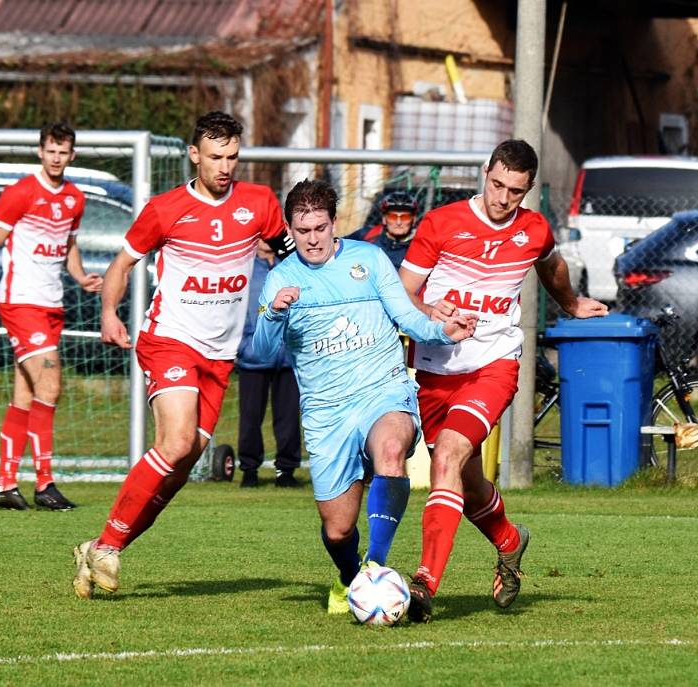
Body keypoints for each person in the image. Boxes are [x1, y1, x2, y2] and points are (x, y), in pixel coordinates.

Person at [72, 110, 294, 599]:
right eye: (216, 157)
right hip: (168, 339)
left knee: (185, 461)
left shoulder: (258, 203)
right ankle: (108, 546)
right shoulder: (166, 208)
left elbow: (290, 256)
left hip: (219, 356)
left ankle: (101, 545)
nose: (225, 166)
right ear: (195, 155)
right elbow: (122, 264)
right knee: (174, 444)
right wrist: (109, 313)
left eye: (233, 157)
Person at [398, 139, 608, 622]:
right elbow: (403, 293)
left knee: (448, 456)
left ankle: (424, 585)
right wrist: (429, 311)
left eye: (515, 191)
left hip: (494, 365)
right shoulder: (442, 223)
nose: (502, 198)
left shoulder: (531, 229)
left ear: (528, 189)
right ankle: (510, 541)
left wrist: (570, 304)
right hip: (435, 369)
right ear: (485, 174)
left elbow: (550, 263)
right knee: (465, 479)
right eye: (496, 185)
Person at [253, 179, 476, 614]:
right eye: (303, 230)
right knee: (337, 530)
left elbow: (408, 317)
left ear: (335, 223)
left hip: (383, 390)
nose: (313, 239)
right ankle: (348, 574)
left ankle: (374, 568)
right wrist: (275, 313)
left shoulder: (369, 259)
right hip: (326, 411)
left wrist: (442, 331)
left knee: (391, 450)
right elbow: (260, 353)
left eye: (320, 227)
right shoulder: (281, 279)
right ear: (290, 229)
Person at [0, 122, 103, 511]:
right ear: (40, 152)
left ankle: (5, 484)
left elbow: (69, 245)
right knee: (51, 383)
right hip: (21, 303)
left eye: (64, 152)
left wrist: (79, 277)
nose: (57, 158)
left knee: (25, 395)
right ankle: (45, 482)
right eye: (51, 150)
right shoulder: (21, 192)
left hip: (52, 305)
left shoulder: (75, 198)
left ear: (72, 155)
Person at [236, 239, 302, 489]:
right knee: (250, 417)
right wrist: (242, 344)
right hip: (253, 355)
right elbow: (236, 309)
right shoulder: (244, 268)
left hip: (287, 356)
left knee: (288, 417)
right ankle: (249, 470)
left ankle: (286, 470)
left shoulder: (292, 266)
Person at [347, 190, 419, 270]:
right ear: (384, 219)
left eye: (405, 217)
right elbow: (336, 247)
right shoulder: (367, 235)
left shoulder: (420, 245)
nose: (398, 222)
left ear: (414, 220)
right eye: (393, 216)